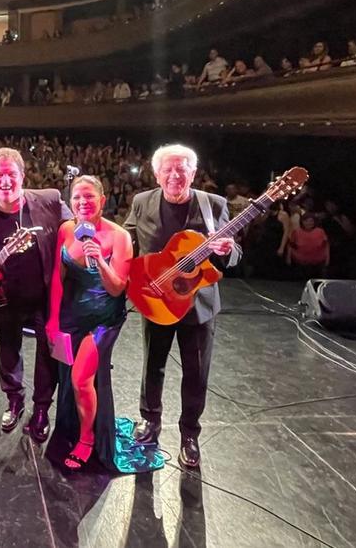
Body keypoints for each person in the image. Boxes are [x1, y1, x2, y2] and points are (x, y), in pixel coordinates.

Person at [124, 144, 240, 468]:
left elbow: (233, 257)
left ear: (193, 172)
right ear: (157, 173)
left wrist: (227, 250)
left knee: (196, 373)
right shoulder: (142, 202)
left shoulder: (212, 205)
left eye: (182, 169)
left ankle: (190, 434)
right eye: (168, 169)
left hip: (198, 307)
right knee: (152, 365)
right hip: (156, 299)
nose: (175, 175)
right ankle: (150, 421)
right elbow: (129, 239)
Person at [0, 147, 72, 442]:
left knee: (47, 352)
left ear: (23, 175)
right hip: (4, 298)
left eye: (11, 174)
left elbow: (74, 231)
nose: (5, 181)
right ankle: (14, 399)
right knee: (8, 350)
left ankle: (42, 409)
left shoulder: (50, 200)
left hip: (44, 294)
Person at [47, 176, 162, 473]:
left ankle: (87, 440)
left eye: (89, 197)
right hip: (71, 315)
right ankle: (74, 428)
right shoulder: (66, 229)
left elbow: (117, 288)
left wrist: (100, 260)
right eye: (76, 197)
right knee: (68, 379)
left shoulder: (120, 236)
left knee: (81, 378)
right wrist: (52, 319)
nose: (82, 203)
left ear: (102, 199)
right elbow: (58, 281)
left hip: (104, 319)